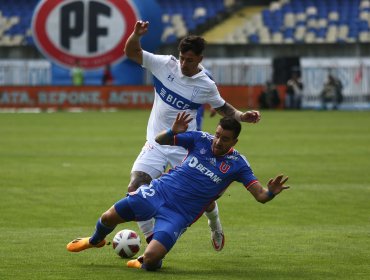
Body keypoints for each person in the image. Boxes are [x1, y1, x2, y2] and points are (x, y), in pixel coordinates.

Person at [66, 112, 289, 271]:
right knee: (108, 217)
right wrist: (173, 131)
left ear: (235, 141)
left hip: (179, 214)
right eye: (218, 134)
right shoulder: (201, 139)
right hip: (159, 192)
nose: (218, 141)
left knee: (152, 261)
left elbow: (260, 196)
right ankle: (95, 240)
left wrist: (271, 192)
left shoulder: (238, 164)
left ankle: (145, 259)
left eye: (225, 139)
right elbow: (160, 139)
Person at [123, 20, 261, 251]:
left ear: (200, 60)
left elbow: (221, 106)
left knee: (205, 200)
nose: (184, 64)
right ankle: (151, 242)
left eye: (190, 60)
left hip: (186, 146)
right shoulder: (165, 65)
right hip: (157, 141)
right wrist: (136, 35)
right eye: (182, 58)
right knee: (135, 186)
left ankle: (215, 224)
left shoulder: (205, 84)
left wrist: (241, 116)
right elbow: (131, 51)